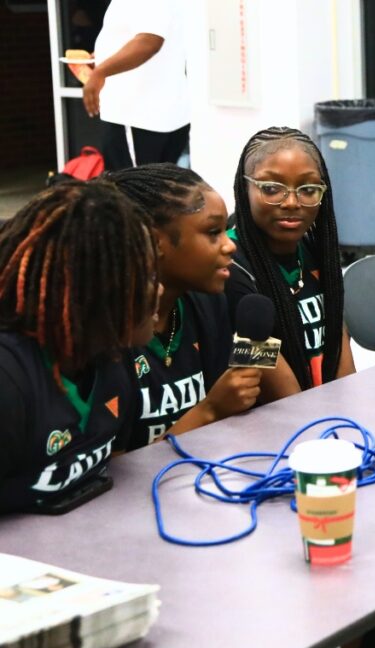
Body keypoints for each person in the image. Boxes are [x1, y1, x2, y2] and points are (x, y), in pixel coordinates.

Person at [0, 181, 158, 514]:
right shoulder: (10, 380)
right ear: (97, 292)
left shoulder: (113, 357)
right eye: (144, 277)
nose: (158, 289)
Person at [106, 164, 262, 450]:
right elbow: (115, 470)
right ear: (155, 242)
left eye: (226, 232)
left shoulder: (213, 298)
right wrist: (209, 411)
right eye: (213, 232)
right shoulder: (112, 331)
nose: (230, 246)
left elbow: (248, 380)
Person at [225, 127, 356, 402]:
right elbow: (276, 386)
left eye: (308, 189)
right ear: (243, 186)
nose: (292, 202)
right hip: (273, 423)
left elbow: (338, 334)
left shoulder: (316, 251)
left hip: (326, 416)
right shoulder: (228, 264)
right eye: (272, 189)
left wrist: (348, 411)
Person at [83, 0, 189, 171]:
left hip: (137, 116)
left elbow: (149, 41)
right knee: (158, 190)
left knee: (131, 191)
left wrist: (100, 72)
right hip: (161, 114)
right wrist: (103, 56)